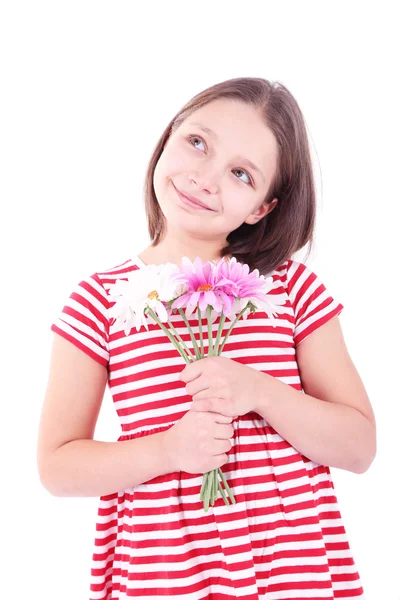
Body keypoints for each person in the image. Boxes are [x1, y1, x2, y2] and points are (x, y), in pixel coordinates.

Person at [37, 77, 376, 599]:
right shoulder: (100, 301)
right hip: (166, 569)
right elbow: (58, 467)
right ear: (168, 137)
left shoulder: (289, 289)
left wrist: (260, 391)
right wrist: (169, 450)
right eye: (198, 143)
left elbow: (358, 448)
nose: (205, 178)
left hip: (286, 567)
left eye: (241, 174)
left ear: (263, 207)